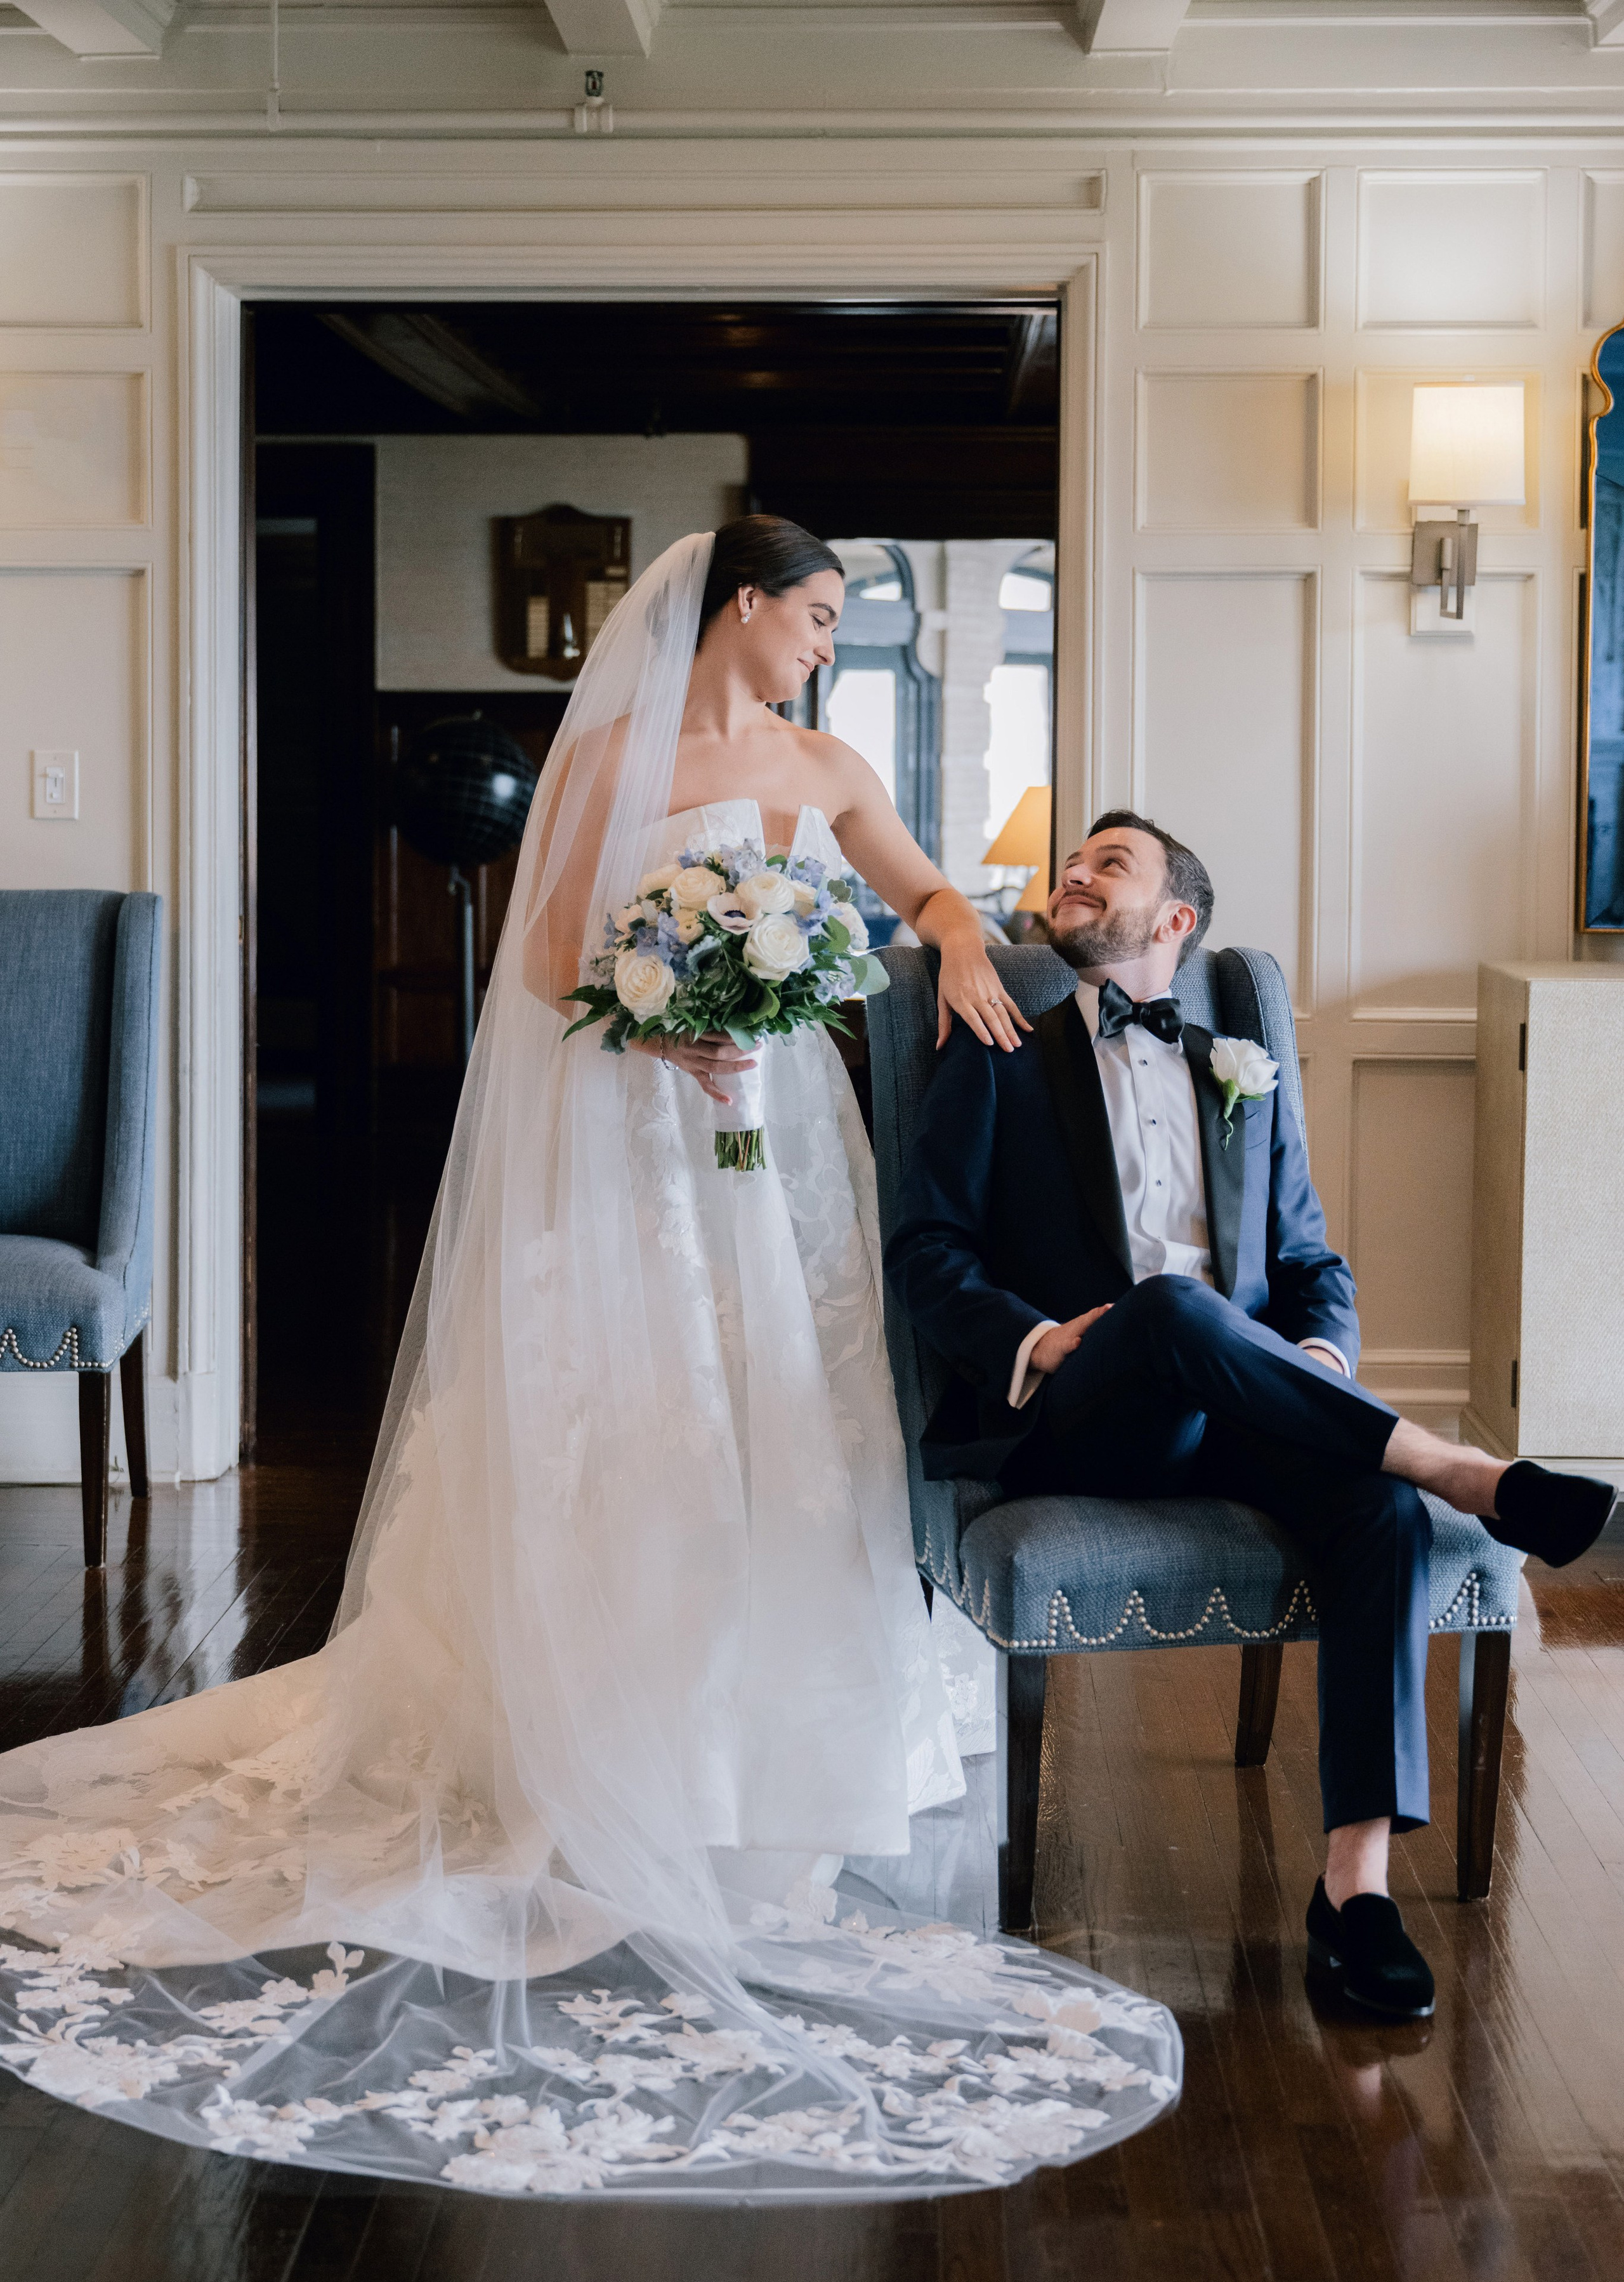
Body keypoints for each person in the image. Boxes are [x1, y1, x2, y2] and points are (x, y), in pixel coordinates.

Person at [0, 527, 1181, 2197]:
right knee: (645, 1423)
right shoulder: (618, 755)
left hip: (784, 1138)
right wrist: (665, 1017)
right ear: (744, 607)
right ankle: (620, 1735)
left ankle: (776, 1734)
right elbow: (548, 958)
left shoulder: (826, 756)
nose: (824, 651)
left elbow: (908, 876)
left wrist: (959, 928)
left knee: (791, 1412)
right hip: (644, 1126)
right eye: (817, 619)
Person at [885, 810, 1616, 2021]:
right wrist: (1033, 1336)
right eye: (1075, 859)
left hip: (1249, 1409)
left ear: (1175, 922)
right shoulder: (1000, 1045)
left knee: (1379, 1509)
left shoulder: (1240, 1063)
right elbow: (924, 1248)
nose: (1073, 871)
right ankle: (1461, 1469)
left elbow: (1312, 1262)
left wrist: (1323, 1352)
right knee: (1169, 1308)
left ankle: (1357, 1891)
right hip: (1086, 1410)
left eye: (1108, 865)